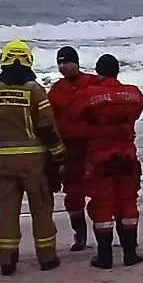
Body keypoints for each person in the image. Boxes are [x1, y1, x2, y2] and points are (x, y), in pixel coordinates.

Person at [0, 41, 65, 275]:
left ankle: (7, 261)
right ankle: (47, 258)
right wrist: (58, 155)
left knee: (7, 211)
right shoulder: (34, 89)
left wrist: (0, 133)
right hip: (34, 161)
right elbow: (46, 126)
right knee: (41, 210)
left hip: (4, 161)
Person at [65, 54, 143, 269]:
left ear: (98, 72)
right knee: (127, 201)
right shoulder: (133, 93)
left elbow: (73, 114)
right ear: (117, 71)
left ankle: (105, 256)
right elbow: (139, 108)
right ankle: (130, 253)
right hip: (127, 156)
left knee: (102, 205)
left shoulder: (89, 95)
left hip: (100, 158)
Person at [46, 45, 100, 250]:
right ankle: (80, 236)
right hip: (68, 150)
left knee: (99, 193)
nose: (63, 66)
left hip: (92, 147)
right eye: (59, 63)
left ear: (76, 62)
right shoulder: (56, 90)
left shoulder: (93, 83)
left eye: (66, 61)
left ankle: (104, 233)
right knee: (73, 195)